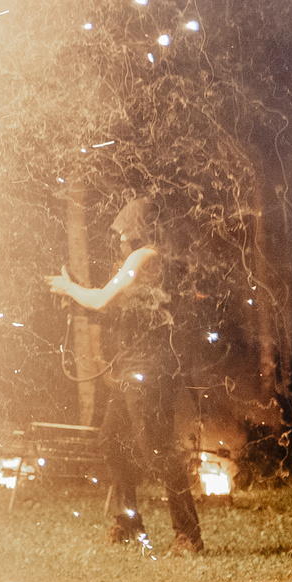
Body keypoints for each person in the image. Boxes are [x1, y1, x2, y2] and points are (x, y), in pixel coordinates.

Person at [47, 197, 203, 554]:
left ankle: (189, 536)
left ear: (138, 230)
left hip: (148, 369)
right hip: (137, 367)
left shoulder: (145, 256)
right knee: (112, 441)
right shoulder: (148, 264)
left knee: (158, 451)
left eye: (122, 232)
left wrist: (70, 289)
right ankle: (129, 523)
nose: (118, 239)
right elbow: (122, 315)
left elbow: (102, 299)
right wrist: (76, 302)